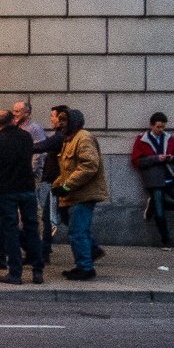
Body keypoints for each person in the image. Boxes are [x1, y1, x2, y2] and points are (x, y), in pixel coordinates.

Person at [0, 108, 44, 285]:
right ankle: (38, 271)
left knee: (11, 231)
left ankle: (15, 273)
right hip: (27, 189)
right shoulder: (25, 137)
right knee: (32, 230)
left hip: (7, 190)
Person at [51, 105, 108, 280]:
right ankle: (89, 254)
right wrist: (58, 184)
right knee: (78, 229)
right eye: (59, 120)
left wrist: (67, 186)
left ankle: (85, 267)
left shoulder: (83, 138)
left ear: (73, 122)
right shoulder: (69, 140)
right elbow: (68, 169)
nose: (60, 124)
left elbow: (89, 166)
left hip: (83, 195)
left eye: (64, 120)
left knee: (77, 231)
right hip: (74, 194)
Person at [129, 112, 174, 249]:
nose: (161, 130)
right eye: (158, 127)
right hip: (154, 180)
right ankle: (166, 241)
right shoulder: (142, 140)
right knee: (160, 212)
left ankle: (153, 204)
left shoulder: (169, 138)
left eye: (163, 127)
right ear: (152, 125)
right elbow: (136, 161)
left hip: (169, 177)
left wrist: (171, 158)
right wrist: (156, 158)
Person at [12, 98, 52, 260]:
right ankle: (31, 246)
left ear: (27, 113)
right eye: (13, 111)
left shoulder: (34, 128)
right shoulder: (16, 127)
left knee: (34, 210)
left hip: (31, 176)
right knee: (22, 212)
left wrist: (31, 171)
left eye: (18, 111)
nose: (14, 114)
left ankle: (40, 247)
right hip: (20, 175)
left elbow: (39, 152)